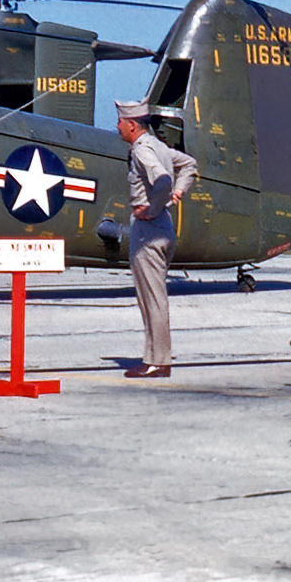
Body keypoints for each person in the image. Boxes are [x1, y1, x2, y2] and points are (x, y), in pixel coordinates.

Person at [116, 99, 198, 379]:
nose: (117, 127)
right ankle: (155, 358)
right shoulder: (159, 147)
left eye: (119, 122)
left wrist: (153, 207)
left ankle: (157, 362)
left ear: (131, 125)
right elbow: (189, 164)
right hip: (163, 228)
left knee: (152, 299)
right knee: (155, 297)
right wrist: (178, 193)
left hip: (149, 230)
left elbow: (162, 180)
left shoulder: (142, 150)